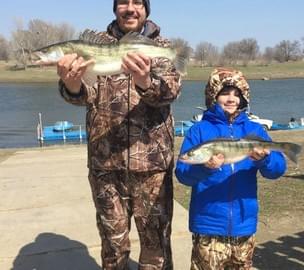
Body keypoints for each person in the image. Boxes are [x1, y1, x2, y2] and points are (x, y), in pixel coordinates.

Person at [57, 0, 182, 269]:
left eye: (138, 2)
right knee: (113, 249)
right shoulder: (94, 46)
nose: (130, 8)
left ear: (147, 9)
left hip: (152, 169)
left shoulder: (161, 48)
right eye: (123, 2)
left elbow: (170, 92)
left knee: (156, 250)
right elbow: (84, 96)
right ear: (115, 9)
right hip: (105, 168)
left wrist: (145, 82)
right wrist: (72, 84)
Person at [175, 68, 287, 270]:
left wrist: (265, 160)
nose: (231, 99)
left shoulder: (254, 130)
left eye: (237, 94)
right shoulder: (199, 130)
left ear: (244, 98)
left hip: (244, 226)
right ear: (213, 95)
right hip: (208, 227)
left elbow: (277, 170)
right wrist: (205, 168)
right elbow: (183, 173)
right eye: (225, 93)